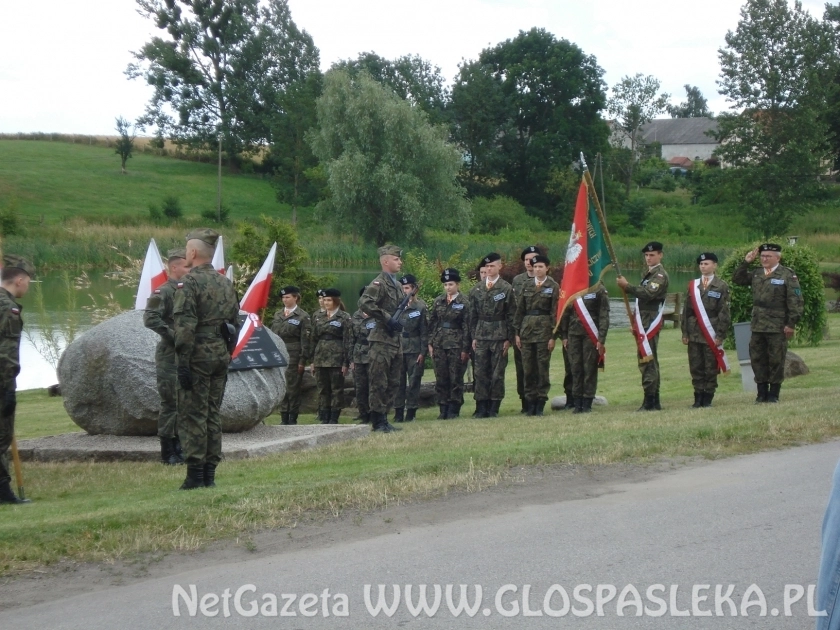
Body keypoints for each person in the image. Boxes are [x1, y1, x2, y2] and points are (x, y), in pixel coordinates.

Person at [173, 228, 240, 490]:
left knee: (193, 415)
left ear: (192, 252)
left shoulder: (190, 283)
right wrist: (227, 352)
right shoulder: (225, 282)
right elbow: (235, 322)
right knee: (213, 414)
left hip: (197, 355)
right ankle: (210, 473)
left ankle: (195, 475)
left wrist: (183, 362)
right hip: (219, 355)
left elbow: (184, 326)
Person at [732, 243, 803, 403]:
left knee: (776, 359)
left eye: (768, 256)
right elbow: (737, 279)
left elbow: (796, 301)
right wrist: (746, 262)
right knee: (757, 358)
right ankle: (761, 392)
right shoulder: (757, 273)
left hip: (777, 325)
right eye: (762, 256)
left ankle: (774, 393)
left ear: (777, 257)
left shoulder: (787, 275)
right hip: (758, 324)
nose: (764, 259)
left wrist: (791, 324)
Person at [143, 248, 189, 464]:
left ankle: (181, 447)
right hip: (169, 356)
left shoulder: (187, 291)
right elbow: (150, 318)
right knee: (170, 403)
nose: (190, 270)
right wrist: (173, 336)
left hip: (186, 355)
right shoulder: (163, 292)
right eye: (186, 266)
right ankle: (168, 451)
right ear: (174, 267)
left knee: (184, 403)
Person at [616, 241, 669, 411]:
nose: (648, 258)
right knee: (646, 359)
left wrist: (627, 287)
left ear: (660, 255)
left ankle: (651, 400)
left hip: (650, 320)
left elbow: (648, 294)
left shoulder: (659, 275)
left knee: (648, 359)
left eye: (652, 255)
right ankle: (653, 399)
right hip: (643, 318)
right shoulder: (648, 273)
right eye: (646, 255)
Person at [359, 245, 405, 433]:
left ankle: (385, 417)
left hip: (395, 340)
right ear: (385, 261)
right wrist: (386, 318)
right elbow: (364, 302)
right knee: (379, 381)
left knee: (394, 381)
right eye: (396, 259)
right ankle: (377, 420)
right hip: (380, 340)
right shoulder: (378, 283)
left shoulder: (399, 285)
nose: (400, 262)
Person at [0, 255, 34, 505]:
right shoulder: (7, 308)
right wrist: (7, 386)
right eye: (28, 283)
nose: (27, 288)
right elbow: (6, 351)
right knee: (2, 435)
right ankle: (3, 491)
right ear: (19, 280)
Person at [681, 253, 731, 408]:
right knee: (696, 366)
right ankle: (697, 398)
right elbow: (686, 310)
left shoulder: (721, 286)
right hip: (694, 332)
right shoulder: (693, 286)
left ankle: (708, 398)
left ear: (715, 265)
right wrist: (685, 332)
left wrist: (720, 335)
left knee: (710, 367)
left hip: (711, 332)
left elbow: (724, 313)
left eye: (707, 264)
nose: (703, 267)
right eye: (701, 264)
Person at [469, 253, 515, 418]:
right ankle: (481, 406)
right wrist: (473, 336)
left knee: (497, 373)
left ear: (499, 267)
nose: (489, 269)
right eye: (487, 267)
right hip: (481, 335)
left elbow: (511, 315)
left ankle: (494, 406)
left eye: (492, 266)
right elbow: (472, 316)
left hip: (499, 334)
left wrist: (509, 338)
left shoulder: (506, 288)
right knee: (480, 372)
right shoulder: (476, 289)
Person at [514, 254, 560, 416]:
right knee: (528, 369)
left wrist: (553, 336)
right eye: (535, 267)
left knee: (542, 368)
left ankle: (540, 402)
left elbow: (555, 312)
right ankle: (530, 402)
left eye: (540, 266)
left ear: (547, 268)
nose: (537, 269)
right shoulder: (526, 286)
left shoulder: (553, 286)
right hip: (526, 331)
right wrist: (517, 333)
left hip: (544, 332)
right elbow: (519, 311)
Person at [559, 282, 610, 414]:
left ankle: (587, 402)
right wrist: (564, 335)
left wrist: (601, 338)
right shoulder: (573, 286)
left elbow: (604, 315)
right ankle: (577, 402)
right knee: (575, 368)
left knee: (589, 368)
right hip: (573, 334)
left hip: (591, 335)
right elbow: (565, 313)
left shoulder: (599, 288)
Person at [428, 268, 471, 419]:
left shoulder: (464, 302)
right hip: (439, 343)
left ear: (458, 285)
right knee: (441, 376)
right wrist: (430, 342)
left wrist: (465, 349)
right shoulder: (438, 301)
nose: (448, 288)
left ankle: (454, 407)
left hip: (456, 344)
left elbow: (467, 326)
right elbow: (433, 322)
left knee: (455, 377)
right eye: (446, 285)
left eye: (451, 284)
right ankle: (443, 407)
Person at [270, 286, 311, 425]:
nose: (285, 300)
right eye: (283, 297)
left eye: (288, 297)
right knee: (282, 386)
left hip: (293, 354)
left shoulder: (302, 316)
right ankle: (283, 416)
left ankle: (292, 417)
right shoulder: (278, 314)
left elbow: (305, 340)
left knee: (292, 387)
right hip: (278, 354)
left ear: (296, 298)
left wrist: (302, 360)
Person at [310, 288, 351, 424]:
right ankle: (324, 415)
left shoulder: (344, 317)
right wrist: (312, 360)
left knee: (336, 389)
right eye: (325, 300)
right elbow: (313, 339)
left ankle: (334, 416)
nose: (326, 303)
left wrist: (346, 362)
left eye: (329, 300)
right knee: (322, 388)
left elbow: (348, 340)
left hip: (336, 358)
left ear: (336, 301)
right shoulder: (318, 317)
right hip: (320, 357)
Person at [394, 274, 428, 423]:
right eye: (402, 288)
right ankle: (398, 411)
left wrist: (423, 351)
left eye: (407, 288)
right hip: (399, 348)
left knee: (414, 381)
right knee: (397, 382)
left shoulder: (420, 307)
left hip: (414, 348)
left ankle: (411, 411)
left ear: (414, 289)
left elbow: (424, 331)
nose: (405, 291)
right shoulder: (395, 307)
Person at [511, 246, 540, 413]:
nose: (529, 263)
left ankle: (537, 399)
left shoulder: (545, 280)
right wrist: (515, 332)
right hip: (521, 330)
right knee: (521, 368)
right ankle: (525, 400)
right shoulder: (517, 281)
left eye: (533, 259)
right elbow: (515, 309)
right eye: (527, 260)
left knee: (538, 367)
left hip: (539, 330)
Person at [350, 288, 374, 424]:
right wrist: (350, 359)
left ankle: (375, 413)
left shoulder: (378, 315)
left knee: (374, 386)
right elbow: (350, 338)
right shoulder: (356, 316)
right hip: (358, 355)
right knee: (360, 387)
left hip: (373, 354)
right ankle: (363, 414)